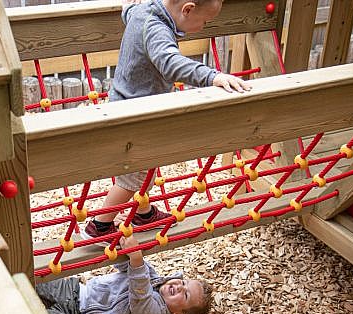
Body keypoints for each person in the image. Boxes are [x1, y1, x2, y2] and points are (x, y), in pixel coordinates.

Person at [83, 0, 252, 241]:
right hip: (136, 115)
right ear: (188, 9)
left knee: (145, 168)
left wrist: (127, 6)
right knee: (131, 179)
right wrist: (211, 76)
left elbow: (129, 11)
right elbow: (170, 63)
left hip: (126, 103)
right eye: (205, 20)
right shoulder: (156, 28)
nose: (204, 26)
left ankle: (143, 212)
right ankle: (99, 226)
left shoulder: (143, 11)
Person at [36, 235, 213, 314]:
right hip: (76, 290)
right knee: (35, 279)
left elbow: (140, 298)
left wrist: (137, 261)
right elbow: (124, 264)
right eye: (184, 283)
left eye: (186, 295)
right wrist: (123, 238)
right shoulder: (150, 274)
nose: (180, 287)